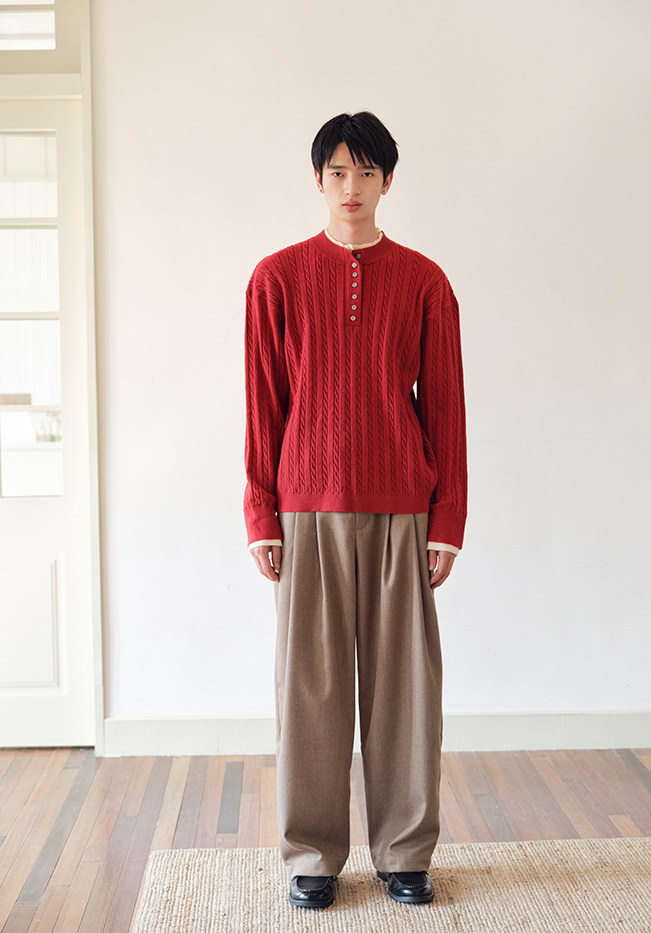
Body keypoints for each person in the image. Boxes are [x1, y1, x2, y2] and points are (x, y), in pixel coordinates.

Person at [243, 111, 467, 910]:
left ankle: (405, 852)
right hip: (306, 508)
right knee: (309, 690)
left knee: (406, 690)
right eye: (337, 171)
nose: (351, 186)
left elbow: (446, 407)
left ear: (387, 181)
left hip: (403, 508)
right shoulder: (275, 278)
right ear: (318, 180)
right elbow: (263, 405)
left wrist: (448, 521)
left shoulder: (425, 281)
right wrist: (261, 512)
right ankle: (312, 856)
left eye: (366, 172)